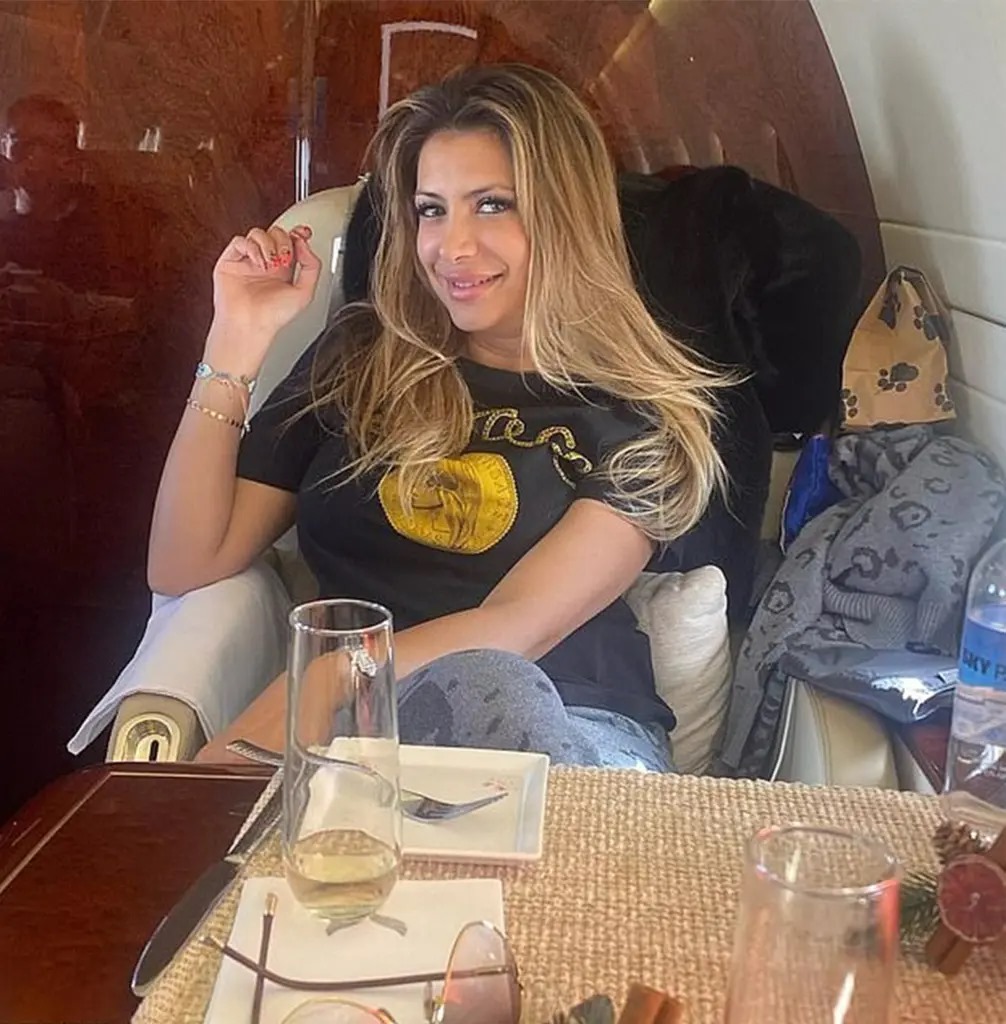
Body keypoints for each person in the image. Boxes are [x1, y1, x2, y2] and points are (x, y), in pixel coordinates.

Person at [149, 64, 734, 770]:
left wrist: (331, 676)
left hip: (572, 731)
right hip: (369, 734)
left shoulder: (639, 414)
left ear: (566, 215)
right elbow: (185, 562)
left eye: (491, 205)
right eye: (431, 209)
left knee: (492, 688)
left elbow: (514, 627)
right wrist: (234, 341)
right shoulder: (362, 357)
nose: (451, 247)